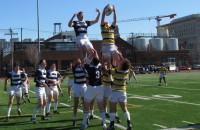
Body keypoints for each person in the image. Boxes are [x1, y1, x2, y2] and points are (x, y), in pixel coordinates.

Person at [80, 50, 107, 130]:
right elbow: (97, 60)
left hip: (91, 87)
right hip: (100, 87)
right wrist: (95, 54)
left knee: (86, 106)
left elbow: (83, 62)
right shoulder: (99, 66)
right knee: (101, 107)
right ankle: (104, 124)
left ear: (92, 61)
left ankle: (84, 124)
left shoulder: (89, 67)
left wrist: (89, 55)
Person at [108, 58, 133, 130]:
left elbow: (109, 71)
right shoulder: (127, 71)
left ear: (122, 65)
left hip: (115, 92)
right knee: (125, 109)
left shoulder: (116, 71)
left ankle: (112, 125)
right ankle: (129, 124)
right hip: (123, 92)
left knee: (112, 109)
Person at [101, 4, 119, 69]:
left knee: (117, 57)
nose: (106, 23)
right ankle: (108, 75)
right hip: (105, 46)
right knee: (108, 61)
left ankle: (116, 69)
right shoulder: (103, 28)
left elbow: (115, 20)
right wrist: (103, 10)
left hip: (112, 45)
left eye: (107, 22)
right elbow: (102, 18)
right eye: (105, 22)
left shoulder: (111, 28)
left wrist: (114, 11)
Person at [31, 59, 49, 124]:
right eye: (43, 63)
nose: (45, 64)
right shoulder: (38, 71)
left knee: (44, 102)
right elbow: (35, 80)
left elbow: (44, 79)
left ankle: (43, 116)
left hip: (43, 88)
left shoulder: (45, 70)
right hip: (38, 88)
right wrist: (43, 83)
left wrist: (48, 84)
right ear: (40, 64)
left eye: (45, 63)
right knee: (40, 103)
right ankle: (33, 117)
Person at [72, 58, 87, 127]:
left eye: (79, 59)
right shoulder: (74, 67)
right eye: (77, 60)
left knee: (85, 103)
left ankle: (85, 119)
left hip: (83, 86)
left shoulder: (84, 67)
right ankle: (74, 119)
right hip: (76, 86)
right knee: (76, 103)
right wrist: (75, 60)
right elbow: (74, 63)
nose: (78, 60)